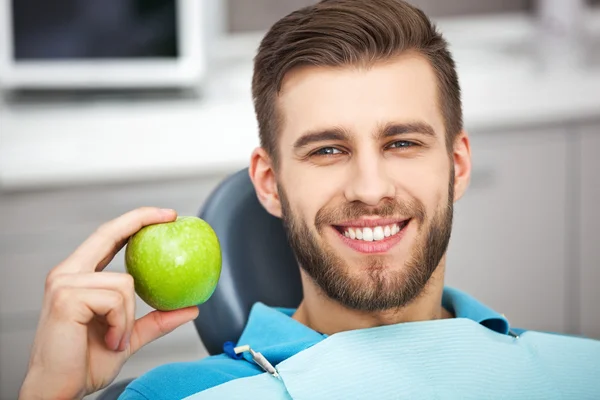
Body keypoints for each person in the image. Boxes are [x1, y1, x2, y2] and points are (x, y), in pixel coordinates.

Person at [19, 1, 600, 399]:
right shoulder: (181, 394)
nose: (370, 189)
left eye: (401, 142)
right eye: (327, 150)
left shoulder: (578, 375)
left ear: (457, 165)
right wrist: (50, 387)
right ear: (269, 183)